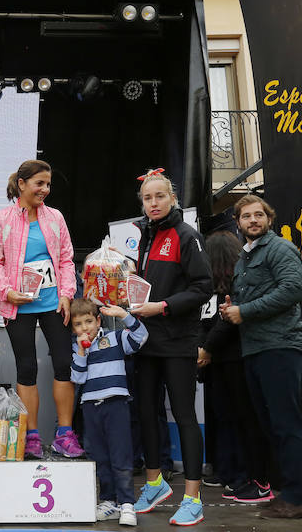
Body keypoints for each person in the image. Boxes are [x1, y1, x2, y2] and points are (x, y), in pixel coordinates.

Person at [220, 194, 302, 519]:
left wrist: (243, 311)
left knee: (287, 425)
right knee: (273, 426)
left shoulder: (280, 248)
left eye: (259, 214)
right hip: (256, 349)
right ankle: (289, 492)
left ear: (269, 219)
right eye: (246, 216)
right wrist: (231, 308)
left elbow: (292, 289)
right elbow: (259, 296)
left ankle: (300, 498)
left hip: (280, 347)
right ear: (238, 223)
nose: (253, 220)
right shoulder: (244, 259)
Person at [129, 168, 212, 526]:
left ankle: (192, 497)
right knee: (146, 413)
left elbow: (203, 287)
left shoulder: (185, 234)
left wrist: (161, 307)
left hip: (178, 341)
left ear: (172, 199)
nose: (153, 203)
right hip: (146, 340)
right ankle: (154, 483)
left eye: (159, 196)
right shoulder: (145, 236)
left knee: (184, 415)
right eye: (147, 198)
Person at [0, 160, 81, 458]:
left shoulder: (56, 218)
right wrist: (6, 291)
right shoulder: (2, 219)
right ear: (23, 184)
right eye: (39, 183)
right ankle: (32, 436)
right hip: (19, 306)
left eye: (48, 184)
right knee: (27, 368)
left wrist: (66, 294)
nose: (45, 189)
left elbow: (66, 260)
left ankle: (65, 434)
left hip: (53, 303)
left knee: (64, 364)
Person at [198, 230, 273, 503]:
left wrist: (206, 348)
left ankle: (245, 475)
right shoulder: (207, 289)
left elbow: (226, 323)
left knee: (239, 418)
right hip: (217, 361)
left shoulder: (236, 287)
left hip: (234, 359)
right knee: (226, 418)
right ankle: (230, 472)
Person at [70, 299, 148, 527]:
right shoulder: (78, 347)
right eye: (78, 324)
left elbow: (140, 337)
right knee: (99, 457)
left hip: (116, 404)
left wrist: (124, 315)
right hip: (90, 407)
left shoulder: (114, 338)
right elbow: (77, 378)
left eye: (88, 322)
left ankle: (127, 504)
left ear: (98, 320)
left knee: (121, 456)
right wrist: (82, 351)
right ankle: (108, 501)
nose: (84, 328)